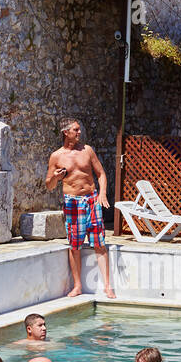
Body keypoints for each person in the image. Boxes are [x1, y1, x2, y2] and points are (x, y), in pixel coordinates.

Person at [45, 118, 116, 299]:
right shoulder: (57, 156)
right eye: (75, 130)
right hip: (73, 202)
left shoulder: (87, 150)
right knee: (75, 245)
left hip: (92, 199)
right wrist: (55, 176)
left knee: (99, 243)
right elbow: (49, 185)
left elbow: (101, 174)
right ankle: (77, 286)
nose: (79, 133)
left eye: (79, 130)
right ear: (65, 133)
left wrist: (102, 194)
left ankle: (107, 286)